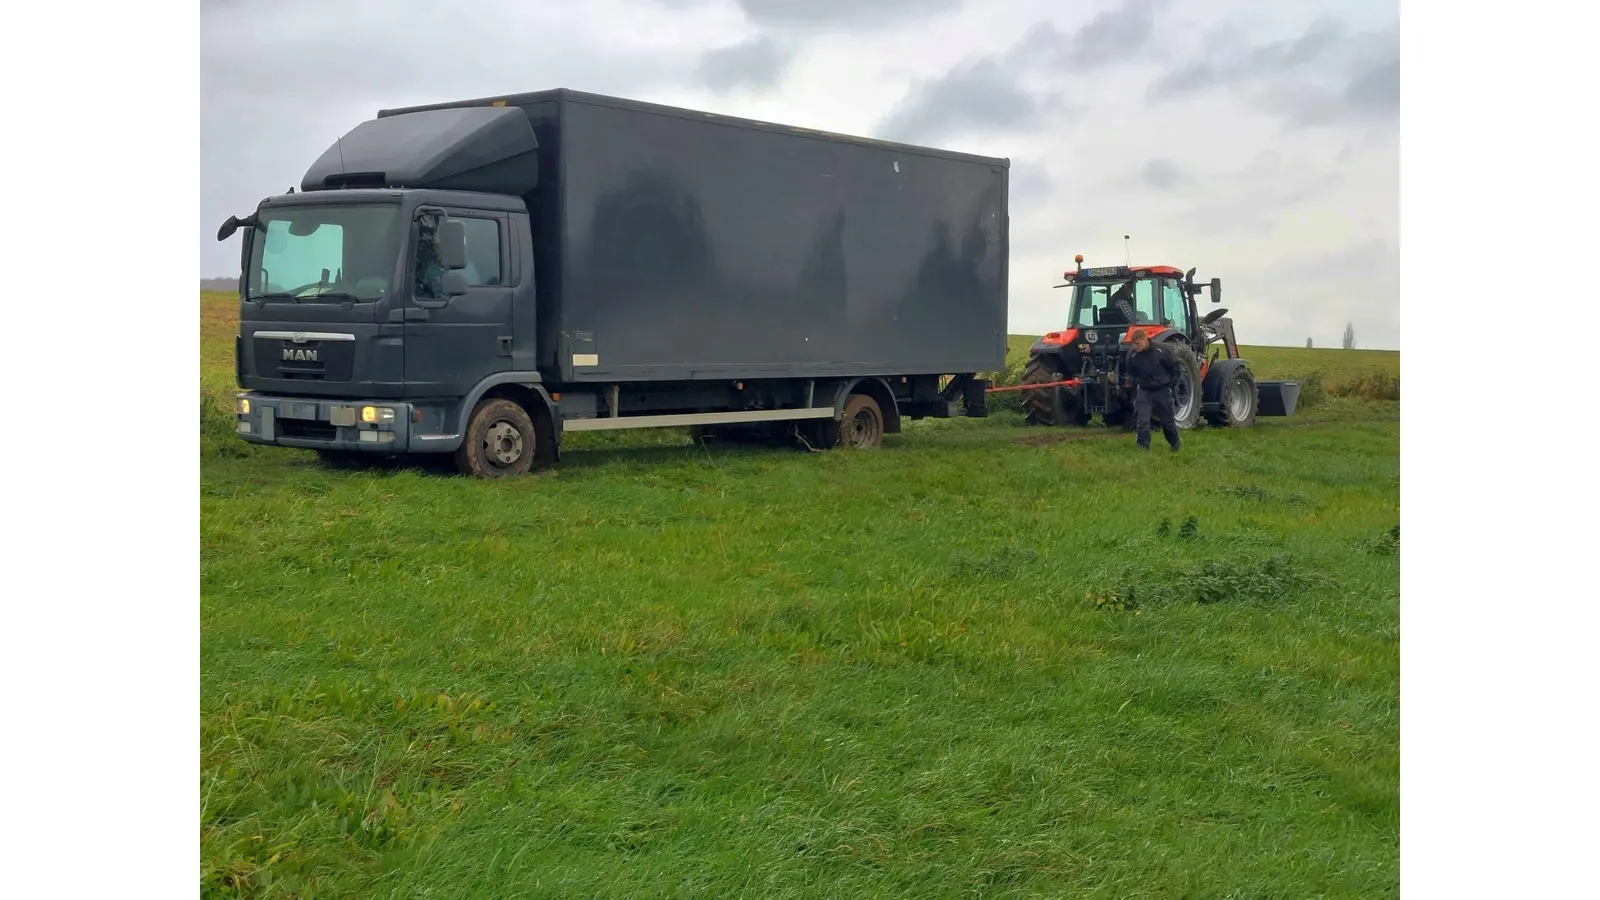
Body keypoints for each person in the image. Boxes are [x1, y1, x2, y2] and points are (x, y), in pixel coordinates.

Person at [1125, 330, 1182, 452]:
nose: (1136, 347)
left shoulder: (1163, 350)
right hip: (1145, 391)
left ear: (1146, 340)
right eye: (1134, 344)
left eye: (1138, 344)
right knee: (1142, 421)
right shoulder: (1132, 354)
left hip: (1163, 390)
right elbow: (1130, 372)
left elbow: (1175, 368)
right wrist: (1137, 383)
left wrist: (1171, 385)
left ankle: (1175, 445)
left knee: (1167, 422)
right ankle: (1142, 448)